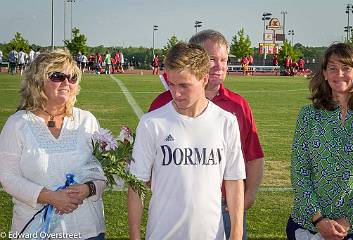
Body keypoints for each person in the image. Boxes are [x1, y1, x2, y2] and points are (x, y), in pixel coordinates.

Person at [148, 29, 264, 240]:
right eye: (212, 59)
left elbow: (254, 156)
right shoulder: (162, 104)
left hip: (228, 208)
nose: (219, 66)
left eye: (224, 60)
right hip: (177, 210)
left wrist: (249, 195)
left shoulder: (238, 106)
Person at [128, 42, 246, 240]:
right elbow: (136, 184)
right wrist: (134, 236)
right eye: (171, 84)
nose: (176, 93)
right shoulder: (152, 124)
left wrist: (236, 234)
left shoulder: (226, 122)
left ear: (204, 79)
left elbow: (234, 181)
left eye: (184, 85)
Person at [0, 49, 106, 240]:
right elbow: (7, 176)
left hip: (87, 229)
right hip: (34, 228)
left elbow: (103, 171)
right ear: (38, 81)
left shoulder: (87, 120)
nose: (66, 82)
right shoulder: (18, 124)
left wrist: (88, 189)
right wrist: (49, 196)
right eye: (58, 76)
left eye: (72, 77)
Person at [286, 42, 353, 240]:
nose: (340, 74)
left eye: (346, 68)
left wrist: (350, 220)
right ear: (325, 74)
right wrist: (318, 220)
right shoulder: (308, 115)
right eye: (333, 68)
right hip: (308, 224)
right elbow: (299, 170)